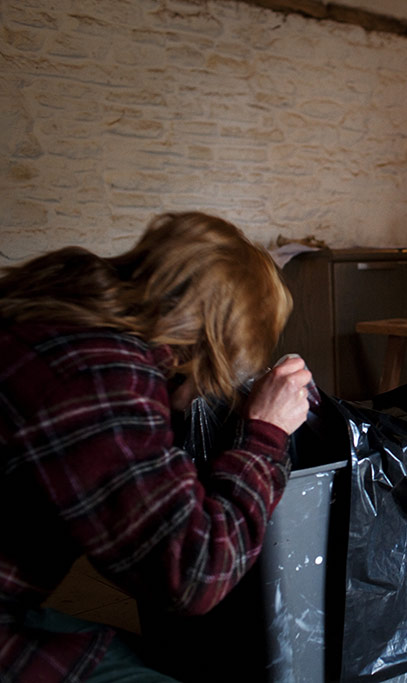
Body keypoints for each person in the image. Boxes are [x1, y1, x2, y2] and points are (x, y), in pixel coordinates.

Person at [0, 212, 313, 681]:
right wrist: (265, 433)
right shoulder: (100, 373)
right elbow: (192, 575)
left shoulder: (61, 304)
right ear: (208, 343)